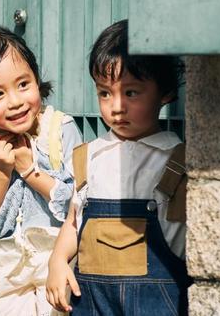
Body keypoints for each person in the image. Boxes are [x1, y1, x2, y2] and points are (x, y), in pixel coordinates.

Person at [46, 19, 189, 315]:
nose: (117, 107)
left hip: (158, 304)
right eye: (105, 93)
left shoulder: (177, 159)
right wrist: (57, 262)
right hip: (92, 302)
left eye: (131, 93)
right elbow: (74, 222)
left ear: (165, 93)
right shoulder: (89, 157)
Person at [0, 26, 82, 315]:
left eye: (23, 84)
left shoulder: (59, 129)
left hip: (59, 259)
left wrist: (28, 169)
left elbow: (79, 202)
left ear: (36, 80)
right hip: (4, 271)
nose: (15, 101)